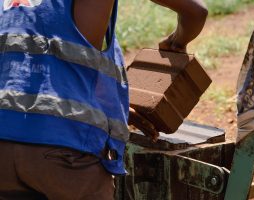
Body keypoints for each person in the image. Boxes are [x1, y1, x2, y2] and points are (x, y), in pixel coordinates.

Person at [0, 0, 207, 199]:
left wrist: (114, 110)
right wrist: (176, 42)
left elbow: (31, 68)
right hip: (66, 152)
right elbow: (196, 12)